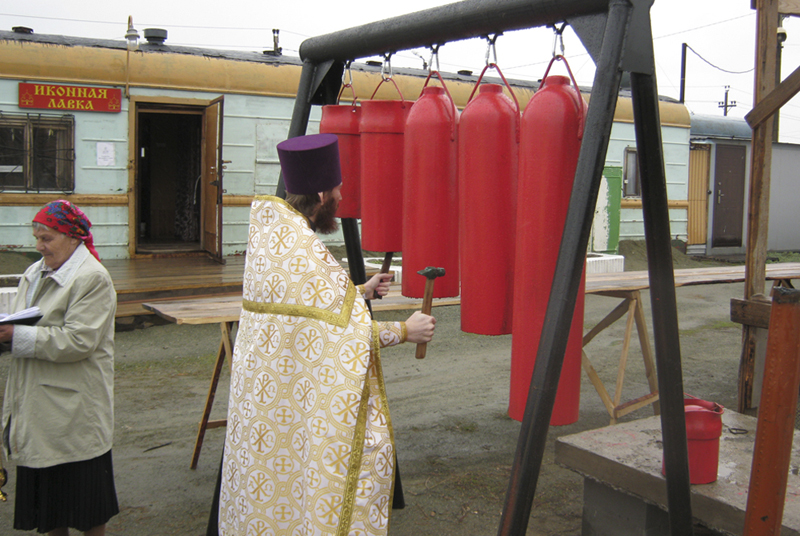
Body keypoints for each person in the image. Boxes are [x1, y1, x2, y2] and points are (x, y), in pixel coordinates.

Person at [216, 133, 436, 536]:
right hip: (294, 397)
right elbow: (343, 339)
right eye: (337, 189)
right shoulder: (305, 252)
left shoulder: (276, 239)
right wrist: (406, 330)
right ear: (321, 194)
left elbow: (310, 305)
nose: (341, 196)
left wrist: (359, 291)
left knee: (276, 492)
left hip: (273, 400)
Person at [0, 200, 119, 536]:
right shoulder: (35, 272)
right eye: (37, 238)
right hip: (38, 407)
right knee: (51, 509)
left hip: (73, 410)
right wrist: (8, 333)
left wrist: (16, 336)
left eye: (47, 238)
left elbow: (79, 341)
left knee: (88, 507)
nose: (40, 246)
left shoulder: (92, 278)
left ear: (72, 237)